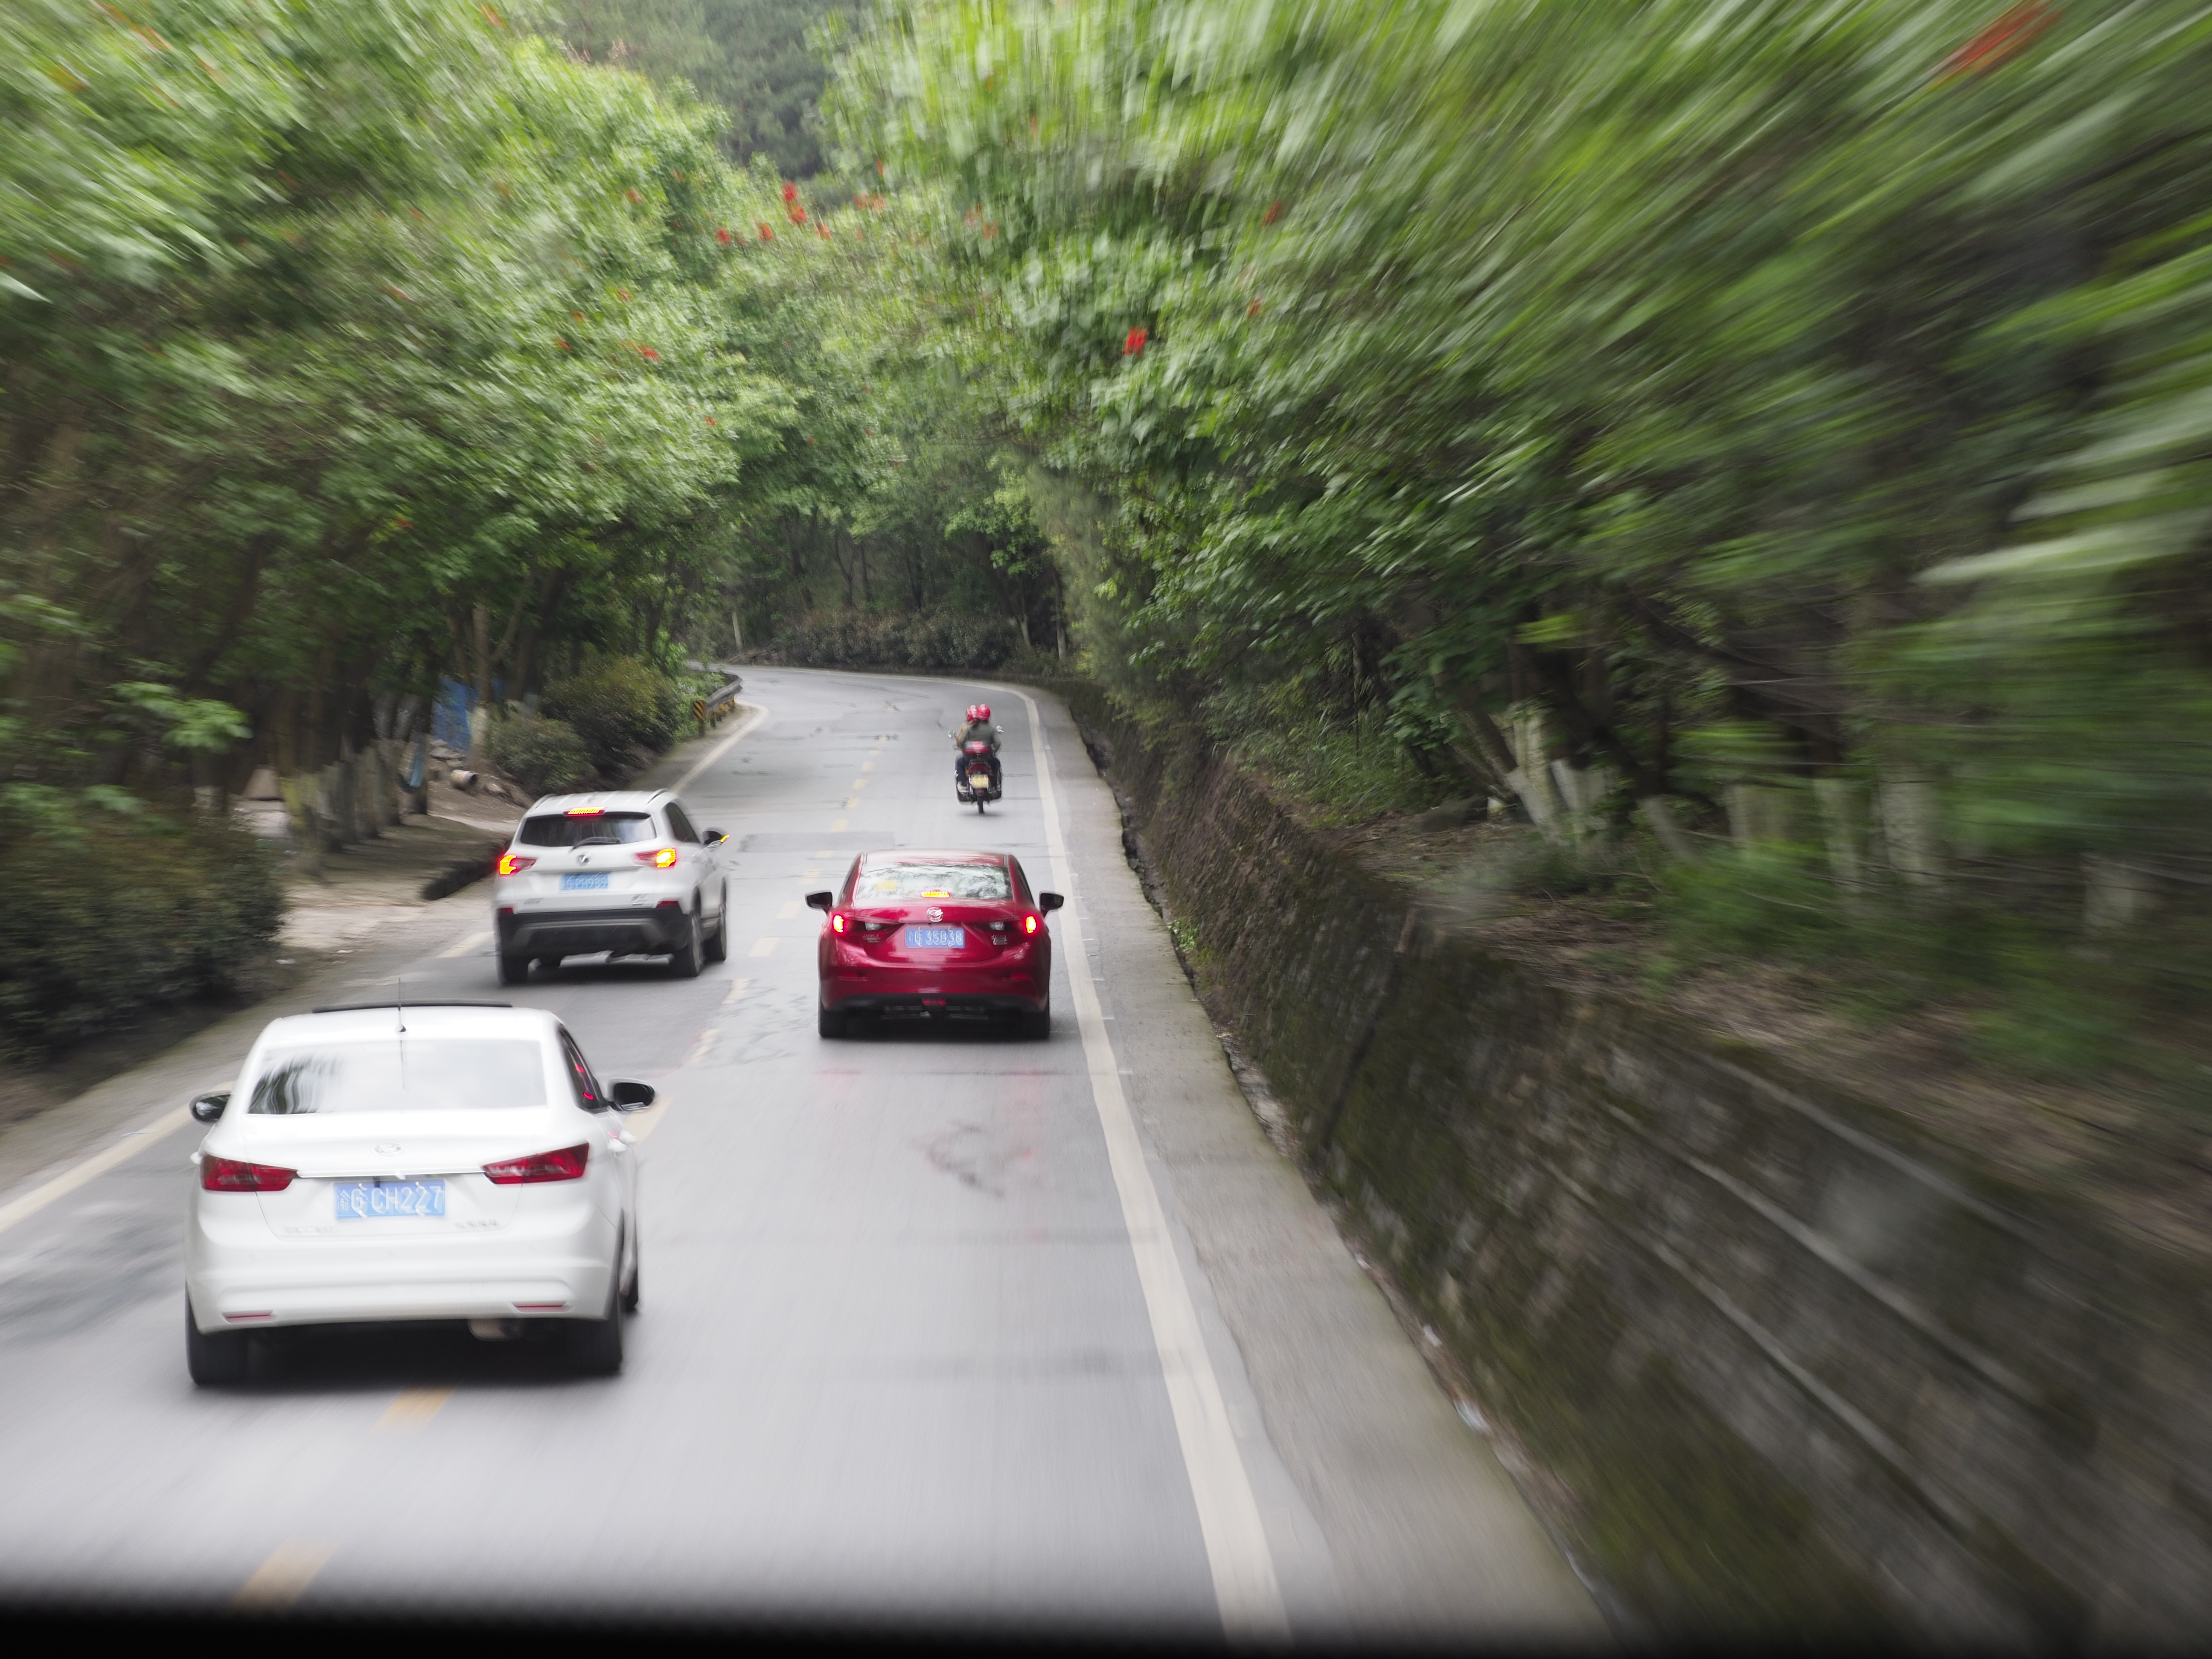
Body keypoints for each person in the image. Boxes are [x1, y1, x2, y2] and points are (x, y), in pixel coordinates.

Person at [953, 703, 1001, 790]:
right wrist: (993, 752)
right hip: (987, 759)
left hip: (970, 758)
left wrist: (963, 747)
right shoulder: (991, 730)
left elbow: (961, 741)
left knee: (960, 762)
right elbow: (998, 743)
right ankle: (994, 783)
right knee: (996, 763)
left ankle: (963, 783)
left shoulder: (970, 728)